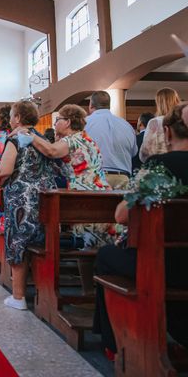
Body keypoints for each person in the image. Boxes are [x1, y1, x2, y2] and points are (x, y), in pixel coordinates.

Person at [93, 103, 188, 360]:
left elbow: (122, 216)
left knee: (105, 255)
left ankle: (113, 343)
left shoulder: (159, 165)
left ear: (166, 133)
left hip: (164, 264)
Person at [0, 100, 62, 310]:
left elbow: (5, 170)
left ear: (17, 118)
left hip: (22, 199)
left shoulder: (15, 139)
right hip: (45, 198)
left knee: (18, 243)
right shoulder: (43, 139)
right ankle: (45, 294)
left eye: (13, 116)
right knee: (42, 241)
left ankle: (18, 297)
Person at [19, 104, 111, 247]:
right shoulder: (86, 139)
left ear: (67, 122)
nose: (55, 124)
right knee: (97, 239)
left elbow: (51, 151)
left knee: (86, 239)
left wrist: (30, 135)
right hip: (101, 192)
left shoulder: (71, 140)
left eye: (57, 120)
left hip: (83, 195)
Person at [85, 90, 137, 189]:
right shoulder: (126, 125)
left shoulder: (85, 123)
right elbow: (134, 152)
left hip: (96, 178)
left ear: (91, 105)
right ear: (109, 105)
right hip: (122, 177)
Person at [139, 87, 181, 164]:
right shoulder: (182, 120)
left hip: (163, 165)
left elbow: (145, 151)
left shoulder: (155, 122)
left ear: (159, 103)